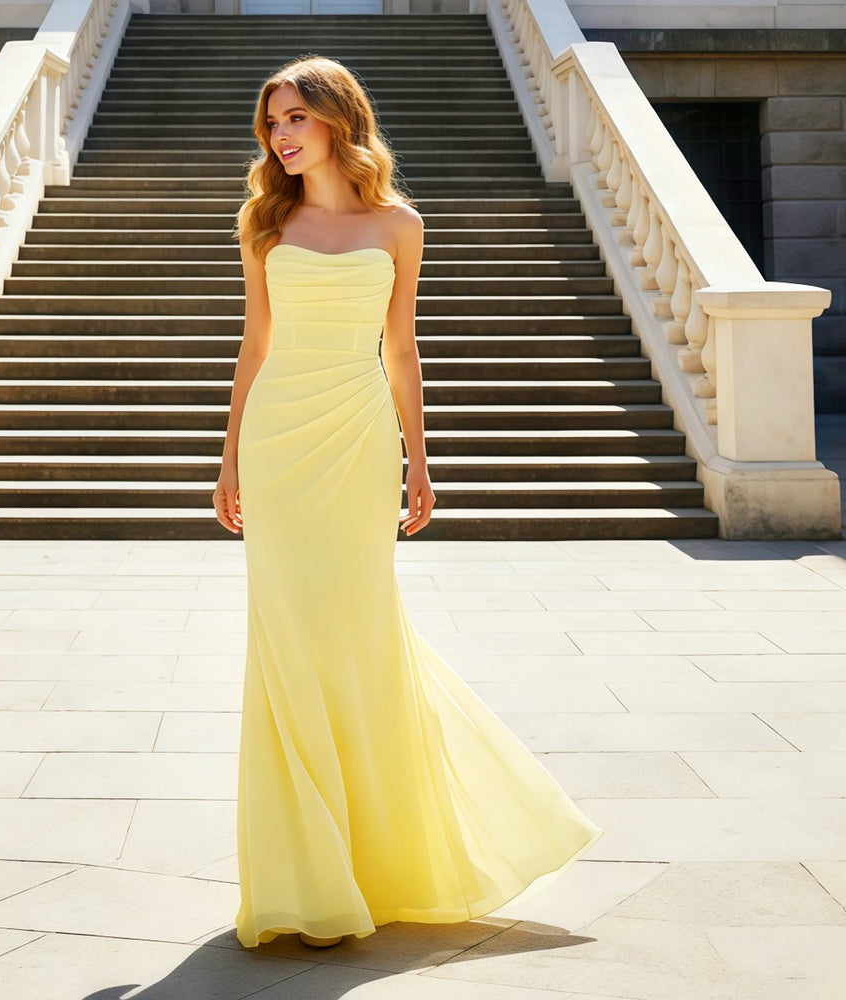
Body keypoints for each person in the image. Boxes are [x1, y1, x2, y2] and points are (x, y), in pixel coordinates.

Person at [212, 54, 602, 952]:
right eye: (272, 122)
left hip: (355, 443)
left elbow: (403, 352)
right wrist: (228, 457)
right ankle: (304, 875)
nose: (280, 136)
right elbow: (252, 347)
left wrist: (418, 459)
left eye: (295, 119)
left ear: (338, 122)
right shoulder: (264, 221)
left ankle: (382, 858)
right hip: (278, 443)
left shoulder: (399, 223)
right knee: (286, 640)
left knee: (359, 632)